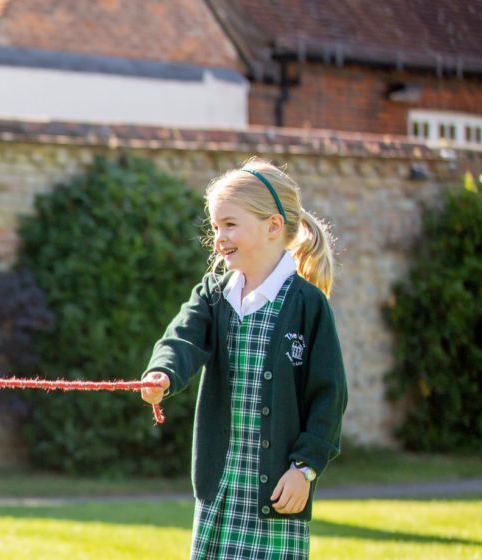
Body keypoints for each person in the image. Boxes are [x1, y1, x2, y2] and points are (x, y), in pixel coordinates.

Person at [140, 158, 348, 559]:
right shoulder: (214, 294)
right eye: (215, 227)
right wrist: (162, 373)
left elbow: (329, 397)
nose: (218, 237)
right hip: (220, 487)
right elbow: (182, 337)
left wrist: (305, 469)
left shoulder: (308, 305)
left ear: (273, 227)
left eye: (230, 225)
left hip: (277, 492)